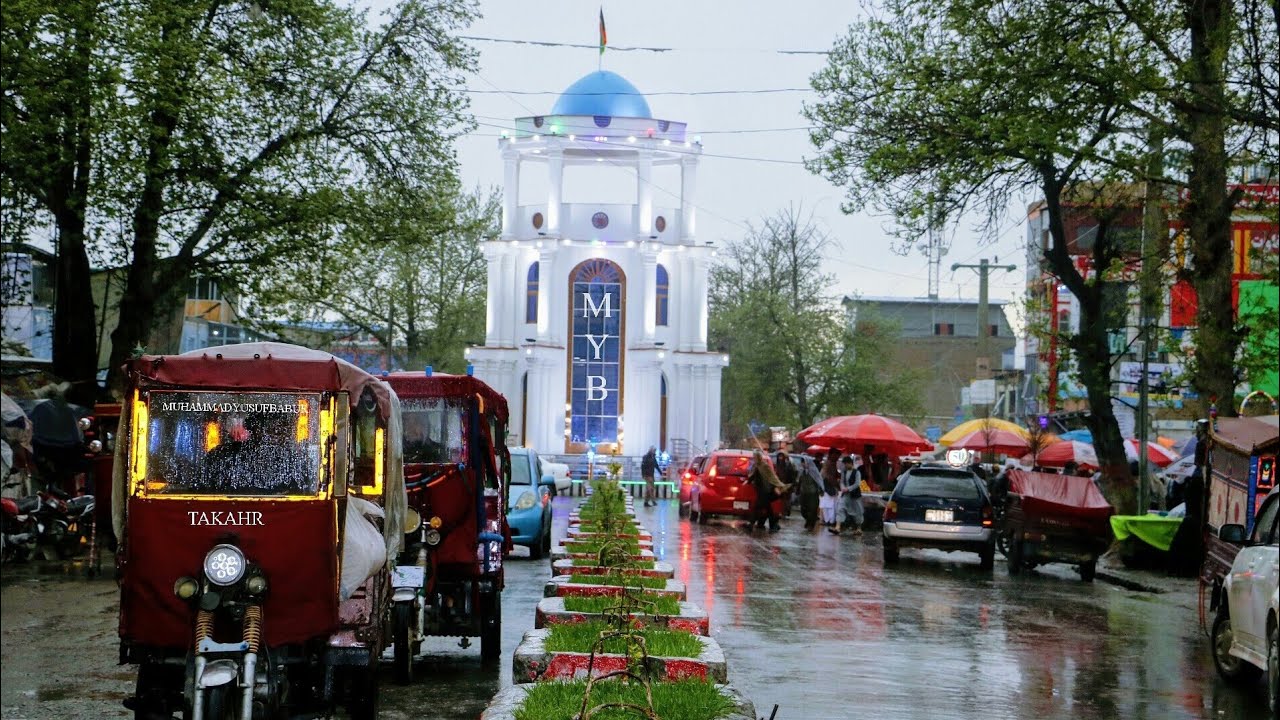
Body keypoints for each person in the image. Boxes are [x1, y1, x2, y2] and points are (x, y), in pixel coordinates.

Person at [748, 449, 790, 532]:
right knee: (768, 509)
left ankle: (751, 524)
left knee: (758, 508)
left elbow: (772, 477)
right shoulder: (757, 466)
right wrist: (748, 480)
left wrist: (778, 486)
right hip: (761, 492)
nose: (754, 458)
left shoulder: (765, 466)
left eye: (755, 457)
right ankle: (773, 525)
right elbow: (753, 476)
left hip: (766, 491)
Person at [835, 455, 864, 535]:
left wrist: (849, 488)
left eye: (846, 464)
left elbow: (857, 483)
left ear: (850, 463)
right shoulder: (844, 472)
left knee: (857, 511)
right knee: (840, 508)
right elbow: (841, 482)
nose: (845, 466)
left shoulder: (857, 472)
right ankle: (837, 527)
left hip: (854, 495)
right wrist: (843, 488)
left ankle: (858, 528)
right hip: (845, 495)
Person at [820, 448, 841, 531]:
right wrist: (836, 484)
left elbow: (835, 474)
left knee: (830, 505)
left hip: (829, 488)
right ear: (832, 454)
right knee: (828, 506)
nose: (837, 458)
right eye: (836, 455)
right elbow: (827, 476)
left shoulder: (833, 463)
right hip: (827, 488)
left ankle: (829, 520)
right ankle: (829, 521)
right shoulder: (828, 464)